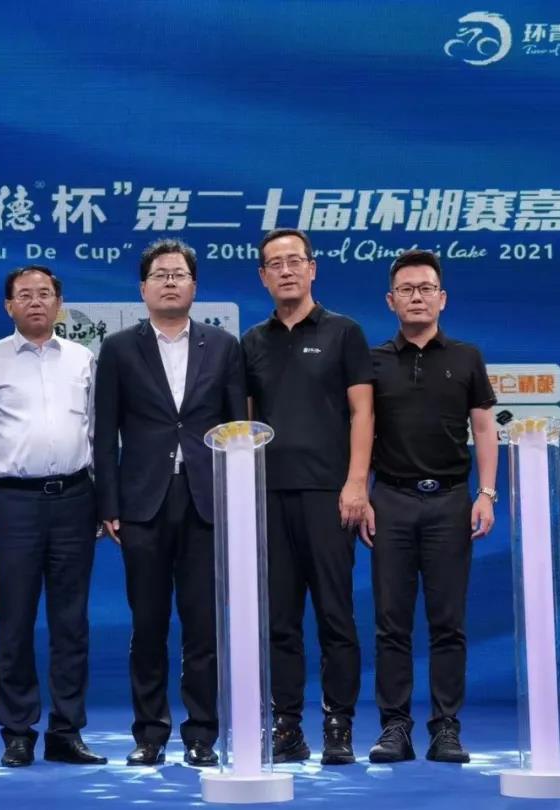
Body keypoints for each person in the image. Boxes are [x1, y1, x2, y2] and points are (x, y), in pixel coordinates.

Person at [94, 239, 246, 767]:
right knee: (149, 626)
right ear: (143, 288)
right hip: (142, 503)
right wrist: (108, 504)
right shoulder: (119, 349)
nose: (170, 282)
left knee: (203, 627)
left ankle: (202, 734)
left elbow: (237, 430)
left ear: (194, 286)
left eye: (179, 274)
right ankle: (150, 734)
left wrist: (235, 501)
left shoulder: (223, 346)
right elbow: (104, 433)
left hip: (206, 501)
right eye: (160, 275)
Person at [0, 265, 106, 767]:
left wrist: (102, 501)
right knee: (15, 623)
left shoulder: (83, 359)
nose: (36, 302)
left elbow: (98, 435)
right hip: (13, 504)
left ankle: (66, 731)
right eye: (25, 295)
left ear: (59, 303)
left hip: (75, 499)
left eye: (45, 294)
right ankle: (17, 732)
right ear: (9, 306)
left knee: (71, 623)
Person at [242, 228, 374, 765]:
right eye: (275, 264)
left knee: (335, 616)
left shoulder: (345, 332)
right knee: (279, 621)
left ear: (312, 268)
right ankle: (287, 728)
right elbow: (246, 422)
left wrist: (357, 482)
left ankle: (339, 726)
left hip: (329, 495)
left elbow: (363, 412)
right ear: (263, 276)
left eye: (295, 260)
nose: (286, 270)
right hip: (269, 498)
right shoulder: (252, 342)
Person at [364, 249, 498, 764]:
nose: (416, 297)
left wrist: (486, 493)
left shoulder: (466, 357)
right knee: (391, 623)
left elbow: (484, 427)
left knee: (448, 623)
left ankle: (446, 729)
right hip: (390, 501)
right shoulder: (373, 361)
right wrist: (362, 493)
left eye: (425, 289)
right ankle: (394, 728)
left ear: (442, 298)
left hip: (449, 502)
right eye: (406, 289)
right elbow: (361, 431)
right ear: (390, 300)